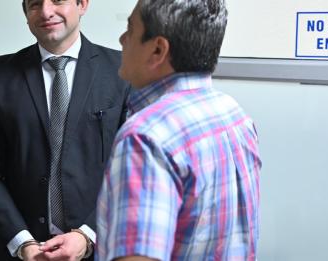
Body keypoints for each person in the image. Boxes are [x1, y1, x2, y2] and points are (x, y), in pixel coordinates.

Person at [96, 0, 262, 260]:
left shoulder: (146, 137)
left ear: (158, 50)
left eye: (130, 29)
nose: (122, 39)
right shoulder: (234, 115)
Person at [0, 0, 130, 260]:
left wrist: (87, 235)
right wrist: (23, 242)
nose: (45, 11)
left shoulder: (121, 71)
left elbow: (130, 172)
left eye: (57, 0)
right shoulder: (0, 74)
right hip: (21, 251)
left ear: (82, 4)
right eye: (34, 4)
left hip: (100, 249)